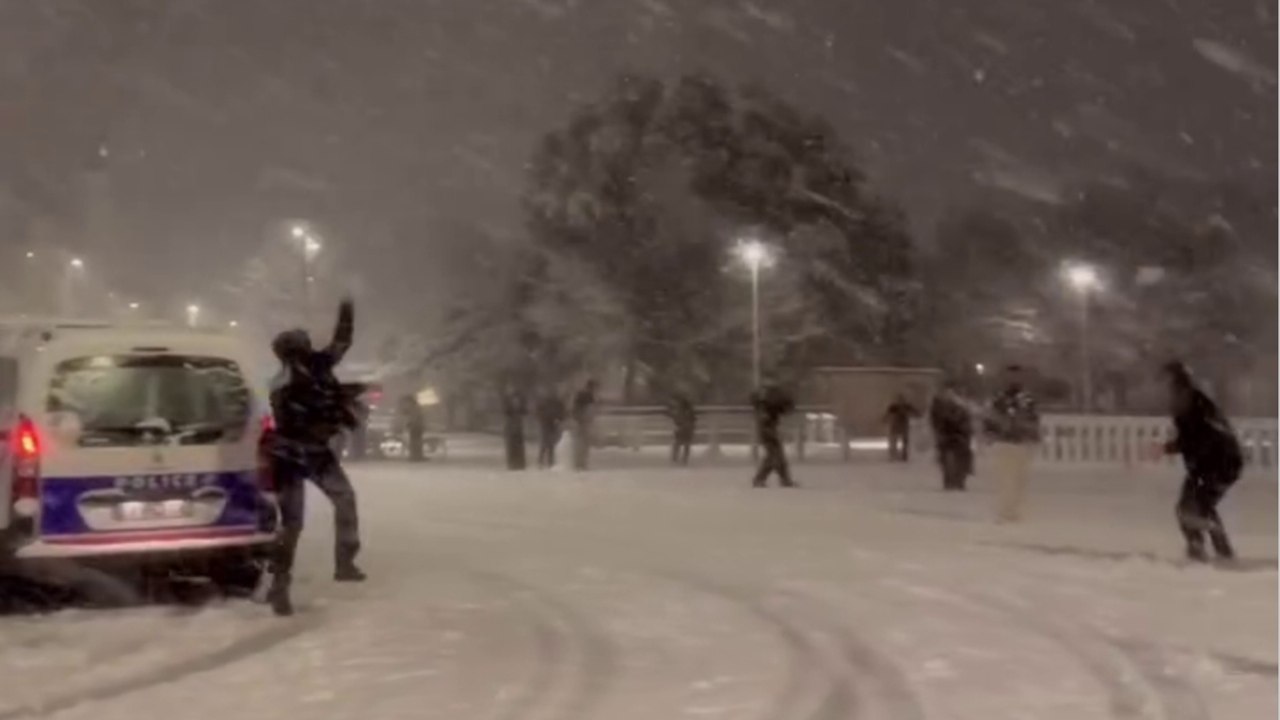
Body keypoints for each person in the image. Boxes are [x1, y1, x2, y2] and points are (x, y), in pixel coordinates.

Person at [266, 297, 365, 617]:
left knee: (293, 524)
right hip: (305, 455)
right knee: (337, 502)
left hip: (290, 457)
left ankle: (281, 583)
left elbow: (340, 345)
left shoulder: (284, 381)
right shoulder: (306, 373)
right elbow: (341, 343)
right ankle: (341, 563)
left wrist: (339, 401)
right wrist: (347, 310)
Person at [1161, 361, 1243, 562]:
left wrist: (1169, 447)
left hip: (1220, 464)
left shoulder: (1195, 405)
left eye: (1166, 383)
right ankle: (1202, 548)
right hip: (1207, 464)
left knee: (1194, 508)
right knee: (1190, 509)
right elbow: (1193, 438)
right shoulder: (1188, 404)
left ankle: (1214, 550)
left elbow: (1203, 437)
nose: (1164, 391)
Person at [982, 365, 1040, 523]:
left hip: (1022, 442)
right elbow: (989, 418)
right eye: (1010, 376)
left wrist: (1033, 436)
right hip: (1004, 442)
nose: (1013, 379)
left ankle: (1013, 510)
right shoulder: (998, 399)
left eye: (1016, 376)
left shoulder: (1028, 399)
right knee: (1005, 479)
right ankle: (1004, 511)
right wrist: (990, 434)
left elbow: (1034, 419)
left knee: (1020, 480)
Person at [751, 382, 796, 488]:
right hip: (767, 429)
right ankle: (760, 479)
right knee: (774, 456)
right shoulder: (768, 399)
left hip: (768, 428)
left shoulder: (766, 397)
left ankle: (784, 480)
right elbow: (765, 417)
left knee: (777, 455)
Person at [930, 383, 974, 491]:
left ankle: (959, 480)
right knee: (948, 458)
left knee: (963, 456)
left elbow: (967, 423)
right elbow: (937, 421)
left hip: (959, 435)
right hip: (949, 435)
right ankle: (951, 480)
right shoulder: (941, 408)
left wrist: (966, 431)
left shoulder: (962, 408)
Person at [570, 379, 597, 471]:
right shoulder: (588, 396)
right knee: (583, 443)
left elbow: (575, 408)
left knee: (580, 443)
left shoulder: (581, 395)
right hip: (583, 421)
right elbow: (589, 409)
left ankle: (579, 463)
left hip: (580, 421)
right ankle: (581, 463)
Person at [535, 391, 567, 468]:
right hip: (546, 423)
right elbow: (539, 412)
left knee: (550, 443)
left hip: (552, 424)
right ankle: (542, 461)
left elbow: (562, 412)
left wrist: (559, 419)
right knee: (545, 442)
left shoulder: (558, 403)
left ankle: (549, 461)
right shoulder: (546, 402)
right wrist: (543, 419)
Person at [883, 393, 919, 462]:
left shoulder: (906, 406)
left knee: (904, 441)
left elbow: (915, 413)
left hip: (902, 425)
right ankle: (894, 454)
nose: (900, 401)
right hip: (897, 426)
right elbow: (887, 414)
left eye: (901, 399)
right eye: (899, 400)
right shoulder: (894, 407)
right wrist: (885, 419)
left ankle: (903, 455)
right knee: (895, 440)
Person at [666, 392, 697, 466]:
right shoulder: (688, 410)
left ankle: (676, 459)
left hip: (683, 427)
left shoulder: (680, 410)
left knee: (678, 443)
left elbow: (675, 418)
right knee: (685, 444)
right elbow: (693, 419)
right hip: (687, 427)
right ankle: (683, 460)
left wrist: (678, 424)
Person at [502, 384, 528, 470]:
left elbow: (525, 411)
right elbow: (505, 411)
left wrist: (520, 410)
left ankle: (520, 463)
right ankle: (512, 463)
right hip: (511, 424)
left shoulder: (521, 399)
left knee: (518, 444)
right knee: (511, 444)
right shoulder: (507, 400)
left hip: (518, 424)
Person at [396, 394, 425, 462]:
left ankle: (415, 456)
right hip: (416, 426)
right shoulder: (415, 407)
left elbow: (413, 417)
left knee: (415, 442)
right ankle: (417, 456)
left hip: (416, 426)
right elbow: (406, 413)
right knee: (416, 441)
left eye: (407, 401)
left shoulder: (414, 408)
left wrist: (409, 424)